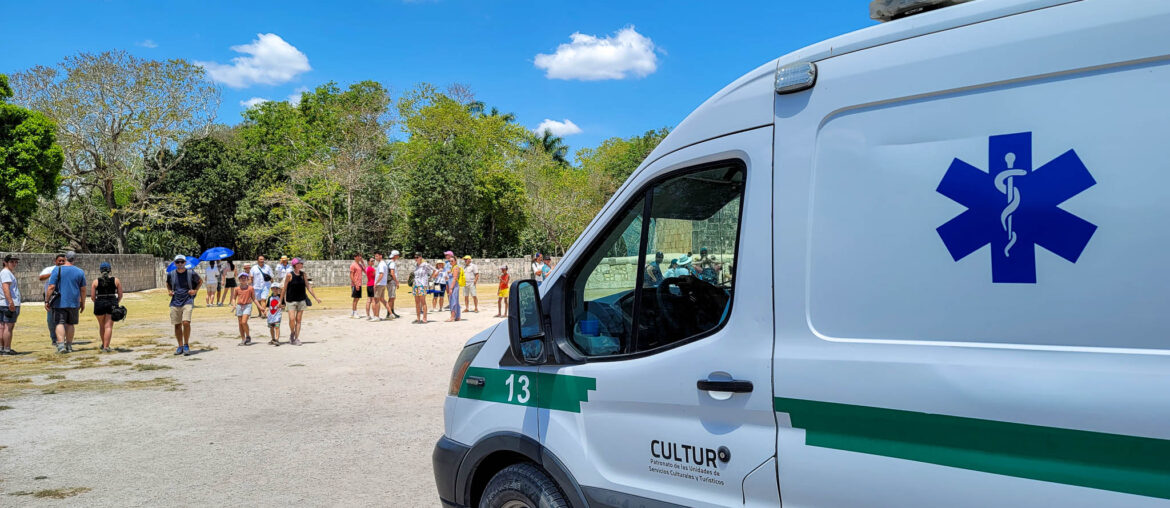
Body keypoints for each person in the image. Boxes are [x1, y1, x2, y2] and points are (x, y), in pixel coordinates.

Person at [45, 251, 87, 354]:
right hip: (73, 302)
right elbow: (83, 289)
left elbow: (51, 287)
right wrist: (83, 302)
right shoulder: (80, 272)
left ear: (66, 258)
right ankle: (69, 345)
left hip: (59, 302)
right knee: (70, 324)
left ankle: (60, 346)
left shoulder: (57, 269)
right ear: (75, 259)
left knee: (59, 323)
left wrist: (47, 300)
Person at [166, 254, 202, 356]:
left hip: (187, 300)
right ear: (175, 263)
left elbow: (200, 281)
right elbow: (167, 283)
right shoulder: (171, 274)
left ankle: (186, 344)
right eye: (178, 262)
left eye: (182, 262)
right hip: (175, 301)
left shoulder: (191, 273)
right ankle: (180, 346)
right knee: (177, 325)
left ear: (185, 263)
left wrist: (195, 291)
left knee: (186, 322)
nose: (180, 264)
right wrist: (169, 291)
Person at [282, 258, 321, 346]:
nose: (302, 265)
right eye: (300, 263)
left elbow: (308, 286)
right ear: (295, 265)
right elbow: (284, 288)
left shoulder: (303, 274)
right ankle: (292, 333)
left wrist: (316, 297)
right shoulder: (289, 275)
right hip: (290, 300)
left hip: (301, 300)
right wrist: (280, 301)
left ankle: (296, 338)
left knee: (298, 320)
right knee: (292, 319)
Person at [90, 262, 123, 353]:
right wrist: (116, 303)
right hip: (112, 302)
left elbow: (93, 297)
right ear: (110, 270)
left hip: (99, 302)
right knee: (108, 326)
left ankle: (104, 343)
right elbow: (120, 295)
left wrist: (98, 302)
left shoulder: (95, 281)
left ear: (100, 271)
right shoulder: (116, 280)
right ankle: (106, 346)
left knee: (101, 326)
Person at [38, 254, 66, 346]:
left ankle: (61, 339)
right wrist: (54, 273)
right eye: (60, 261)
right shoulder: (50, 269)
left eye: (63, 261)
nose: (61, 262)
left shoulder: (68, 270)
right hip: (52, 298)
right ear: (55, 261)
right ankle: (54, 339)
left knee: (63, 320)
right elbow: (41, 278)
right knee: (51, 320)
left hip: (64, 298)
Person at [0, 254, 21, 355]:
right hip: (8, 303)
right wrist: (11, 302)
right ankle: (6, 349)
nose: (14, 264)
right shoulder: (6, 273)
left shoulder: (5, 273)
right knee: (8, 327)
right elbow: (5, 288)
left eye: (16, 262)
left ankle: (2, 348)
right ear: (5, 262)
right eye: (12, 261)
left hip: (3, 303)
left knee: (2, 326)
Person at [411, 252, 437, 323]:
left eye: (417, 257)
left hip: (422, 285)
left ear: (420, 257)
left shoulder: (425, 265)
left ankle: (424, 318)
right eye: (415, 257)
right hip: (416, 285)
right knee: (417, 302)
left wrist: (431, 278)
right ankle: (418, 318)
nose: (416, 259)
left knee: (423, 302)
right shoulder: (416, 265)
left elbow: (435, 270)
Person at [234, 273, 256, 345]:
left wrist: (261, 308)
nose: (243, 279)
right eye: (241, 278)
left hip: (247, 305)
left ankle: (248, 336)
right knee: (240, 324)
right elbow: (234, 299)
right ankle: (243, 339)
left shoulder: (250, 288)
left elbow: (254, 299)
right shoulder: (237, 289)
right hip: (239, 306)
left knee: (244, 322)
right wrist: (234, 305)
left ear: (247, 279)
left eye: (245, 278)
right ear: (239, 279)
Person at [371, 252, 389, 321]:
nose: (376, 258)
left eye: (377, 256)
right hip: (382, 283)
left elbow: (381, 275)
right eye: (375, 256)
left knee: (376, 300)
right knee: (380, 299)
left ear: (381, 256)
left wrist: (376, 283)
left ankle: (376, 316)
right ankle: (389, 314)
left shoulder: (381, 264)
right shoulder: (383, 264)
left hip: (380, 284)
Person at [447, 254, 463, 322]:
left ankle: (452, 317)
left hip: (454, 286)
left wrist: (451, 288)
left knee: (453, 301)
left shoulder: (455, 268)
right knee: (455, 300)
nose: (450, 262)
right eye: (449, 261)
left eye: (452, 261)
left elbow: (454, 278)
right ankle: (457, 317)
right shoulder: (453, 268)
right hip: (453, 286)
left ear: (455, 261)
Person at [349, 253, 365, 319]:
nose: (360, 257)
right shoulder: (353, 265)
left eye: (360, 256)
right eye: (358, 256)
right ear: (355, 257)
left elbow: (365, 270)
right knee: (355, 298)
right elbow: (351, 275)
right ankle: (355, 312)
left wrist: (363, 262)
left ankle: (353, 311)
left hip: (359, 283)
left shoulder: (360, 265)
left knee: (357, 298)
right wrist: (355, 284)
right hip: (355, 284)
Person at [387, 250, 401, 319]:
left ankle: (392, 312)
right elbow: (392, 273)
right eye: (398, 255)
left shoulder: (389, 262)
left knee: (392, 297)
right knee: (391, 297)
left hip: (390, 281)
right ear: (395, 256)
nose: (398, 256)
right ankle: (389, 313)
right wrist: (397, 281)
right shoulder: (392, 263)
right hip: (392, 282)